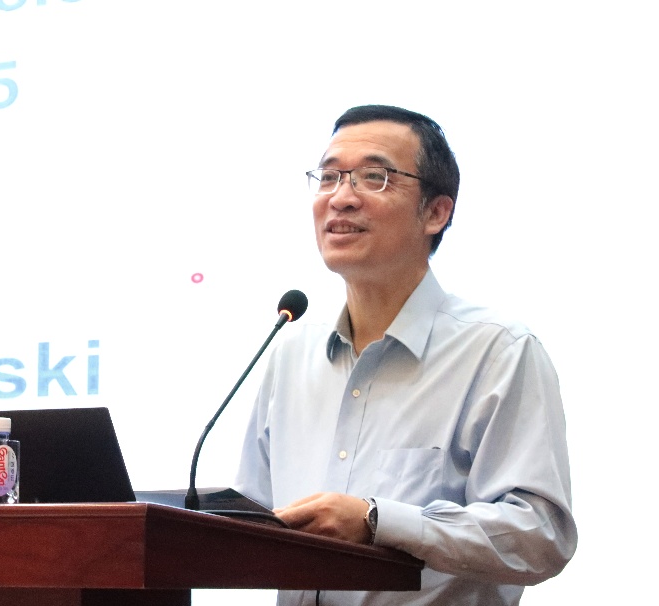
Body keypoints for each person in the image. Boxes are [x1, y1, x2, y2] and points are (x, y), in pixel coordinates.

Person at [234, 105, 577, 605]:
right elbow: (250, 522)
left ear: (436, 212)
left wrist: (379, 522)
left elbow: (540, 536)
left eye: (374, 178)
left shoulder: (497, 351)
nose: (341, 198)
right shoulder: (290, 350)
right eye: (328, 177)